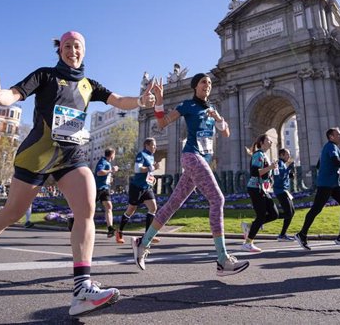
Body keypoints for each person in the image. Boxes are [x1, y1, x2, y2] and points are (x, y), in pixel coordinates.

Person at [0, 30, 155, 317]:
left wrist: (142, 101)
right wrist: (0, 97)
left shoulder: (88, 85)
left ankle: (82, 289)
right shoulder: (45, 75)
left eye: (78, 46)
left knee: (86, 210)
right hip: (38, 155)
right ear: (60, 50)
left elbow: (119, 101)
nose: (73, 50)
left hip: (72, 156)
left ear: (84, 51)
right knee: (12, 213)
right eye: (67, 46)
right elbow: (14, 94)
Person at [132, 74, 249, 277]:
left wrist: (218, 119)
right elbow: (162, 123)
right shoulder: (188, 105)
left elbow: (226, 133)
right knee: (217, 199)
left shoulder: (211, 109)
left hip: (201, 160)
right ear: (195, 86)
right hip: (191, 156)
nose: (208, 86)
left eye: (210, 83)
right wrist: (159, 99)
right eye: (204, 82)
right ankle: (222, 260)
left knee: (172, 205)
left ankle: (143, 243)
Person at [295, 128, 340, 250]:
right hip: (326, 185)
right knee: (316, 209)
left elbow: (320, 164)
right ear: (331, 137)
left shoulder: (329, 147)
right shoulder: (331, 147)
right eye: (338, 135)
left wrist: (334, 170)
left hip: (332, 184)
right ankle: (302, 234)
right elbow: (336, 161)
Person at [117, 139, 160, 244]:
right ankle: (119, 232)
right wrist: (152, 167)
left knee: (153, 208)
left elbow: (149, 172)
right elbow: (137, 169)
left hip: (147, 188)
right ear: (147, 145)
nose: (155, 147)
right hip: (136, 187)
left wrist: (152, 178)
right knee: (131, 210)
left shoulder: (151, 156)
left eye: (155, 146)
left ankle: (148, 235)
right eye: (154, 145)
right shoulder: (141, 154)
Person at [242, 134, 279, 253]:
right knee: (261, 215)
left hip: (264, 189)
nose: (271, 142)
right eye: (268, 140)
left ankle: (249, 226)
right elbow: (254, 172)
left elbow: (265, 174)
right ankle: (248, 243)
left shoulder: (264, 155)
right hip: (255, 188)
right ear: (262, 142)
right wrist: (270, 168)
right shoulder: (258, 154)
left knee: (274, 214)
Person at [272, 148, 296, 242]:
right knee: (289, 213)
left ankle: (282, 234)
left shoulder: (283, 164)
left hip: (285, 191)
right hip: (280, 191)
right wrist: (289, 168)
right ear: (281, 155)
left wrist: (289, 175)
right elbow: (279, 177)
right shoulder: (278, 164)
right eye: (287, 154)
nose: (289, 156)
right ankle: (266, 218)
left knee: (291, 212)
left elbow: (283, 176)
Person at [94, 148, 118, 238]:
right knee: (89, 209)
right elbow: (99, 172)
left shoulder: (107, 162)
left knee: (109, 206)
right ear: (112, 154)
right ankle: (74, 221)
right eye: (114, 154)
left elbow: (104, 175)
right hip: (98, 189)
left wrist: (109, 179)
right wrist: (111, 170)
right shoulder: (103, 162)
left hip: (105, 188)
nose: (114, 156)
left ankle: (110, 229)